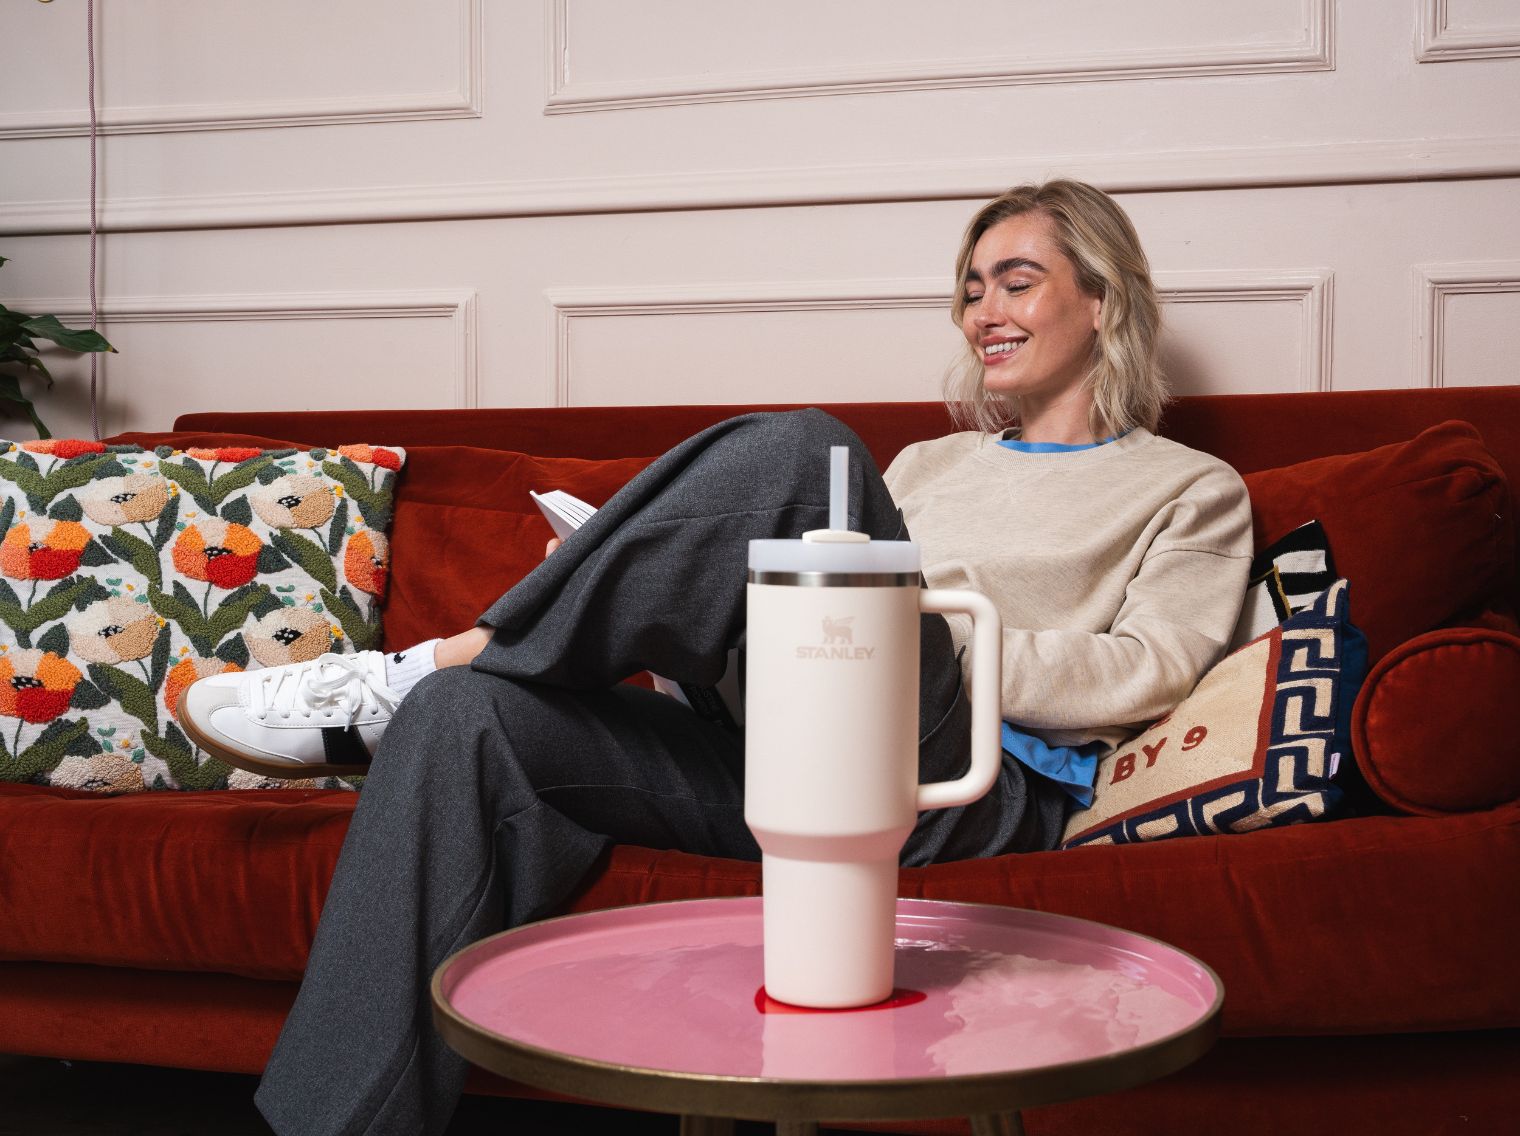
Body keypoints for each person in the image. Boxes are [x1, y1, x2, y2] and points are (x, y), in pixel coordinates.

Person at [178, 178, 1253, 1136]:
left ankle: (449, 653)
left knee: (804, 453)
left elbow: (1148, 668)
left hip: (961, 776)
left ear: (1104, 300)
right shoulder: (929, 462)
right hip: (796, 734)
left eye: (1014, 281)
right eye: (970, 288)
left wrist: (908, 632)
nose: (983, 311)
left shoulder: (1185, 486)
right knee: (464, 720)